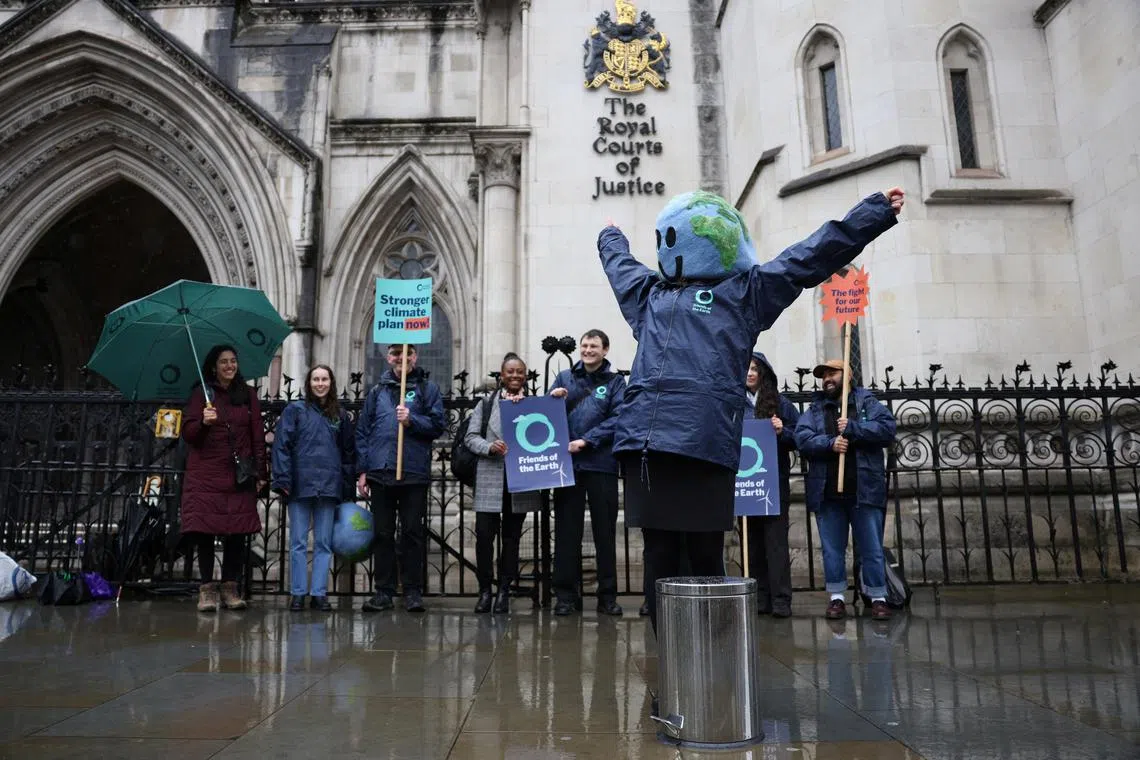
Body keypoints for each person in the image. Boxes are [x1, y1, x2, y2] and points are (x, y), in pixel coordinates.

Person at [597, 187, 905, 634]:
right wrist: (610, 239)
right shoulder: (651, 295)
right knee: (660, 558)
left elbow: (809, 258)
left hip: (697, 444)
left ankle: (706, 662)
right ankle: (671, 666)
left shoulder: (745, 293)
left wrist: (871, 215)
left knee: (703, 558)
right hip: (650, 447)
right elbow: (619, 265)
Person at [794, 359, 898, 621]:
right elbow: (802, 438)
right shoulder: (815, 410)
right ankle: (837, 598)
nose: (827, 378)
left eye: (833, 373)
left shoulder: (867, 403)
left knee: (871, 547)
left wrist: (854, 429)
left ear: (847, 375)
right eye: (824, 375)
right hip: (828, 493)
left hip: (864, 490)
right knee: (832, 549)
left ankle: (878, 597)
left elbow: (887, 429)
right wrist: (830, 444)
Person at [356, 344, 446, 613]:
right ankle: (383, 591)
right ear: (388, 357)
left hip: (413, 473)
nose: (401, 358)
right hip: (381, 472)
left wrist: (412, 421)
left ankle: (412, 591)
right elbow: (363, 431)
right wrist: (363, 470)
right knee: (382, 534)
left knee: (411, 533)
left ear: (415, 357)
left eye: (407, 353)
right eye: (396, 353)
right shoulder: (377, 392)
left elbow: (437, 425)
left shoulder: (428, 390)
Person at [181, 344, 266, 613]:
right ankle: (207, 589)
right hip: (206, 472)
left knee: (237, 532)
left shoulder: (248, 395)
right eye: (223, 362)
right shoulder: (201, 394)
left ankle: (230, 587)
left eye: (233, 361)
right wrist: (203, 423)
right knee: (204, 530)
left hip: (238, 473)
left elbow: (257, 435)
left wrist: (261, 472)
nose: (229, 366)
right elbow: (188, 434)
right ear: (213, 367)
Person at [548, 329, 626, 617]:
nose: (588, 350)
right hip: (567, 467)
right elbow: (545, 416)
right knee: (567, 534)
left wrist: (588, 440)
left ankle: (607, 597)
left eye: (594, 346)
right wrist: (553, 398)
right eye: (584, 345)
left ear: (605, 350)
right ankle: (566, 596)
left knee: (604, 534)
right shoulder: (564, 378)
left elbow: (619, 417)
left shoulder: (616, 382)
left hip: (601, 464)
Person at [271, 365, 356, 612]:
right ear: (309, 383)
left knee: (323, 543)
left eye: (325, 379)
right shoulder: (295, 411)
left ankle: (319, 593)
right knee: (297, 542)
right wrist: (283, 479)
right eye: (316, 379)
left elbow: (347, 452)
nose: (320, 383)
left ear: (331, 382)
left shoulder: (339, 415)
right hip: (299, 484)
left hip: (329, 485)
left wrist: (347, 485)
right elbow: (282, 446)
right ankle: (298, 593)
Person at [464, 353, 542, 614]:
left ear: (525, 375)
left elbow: (544, 433)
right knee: (485, 538)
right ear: (502, 374)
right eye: (510, 371)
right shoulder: (485, 405)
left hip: (519, 481)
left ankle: (504, 591)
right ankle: (485, 590)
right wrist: (489, 446)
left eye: (520, 371)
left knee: (511, 540)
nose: (515, 376)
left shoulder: (532, 405)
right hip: (490, 478)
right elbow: (470, 438)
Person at [743, 352, 799, 618]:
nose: (750, 373)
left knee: (775, 543)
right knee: (751, 544)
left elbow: (801, 437)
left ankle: (780, 599)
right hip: (744, 485)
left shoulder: (780, 403)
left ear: (764, 373)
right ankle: (759, 598)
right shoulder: (733, 403)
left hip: (773, 484)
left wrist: (782, 432)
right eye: (746, 368)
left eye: (755, 368)